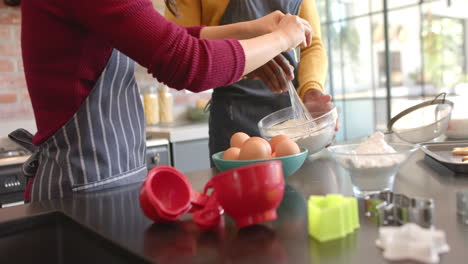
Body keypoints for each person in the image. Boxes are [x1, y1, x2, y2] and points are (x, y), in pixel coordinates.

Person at [10, 0, 312, 202]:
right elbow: (187, 62)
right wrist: (282, 38)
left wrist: (251, 29)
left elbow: (173, 37)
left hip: (103, 182)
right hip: (79, 190)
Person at [166, 0, 331, 158]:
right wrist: (245, 60)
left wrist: (311, 89)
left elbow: (311, 44)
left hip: (293, 116)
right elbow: (182, 49)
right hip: (233, 116)